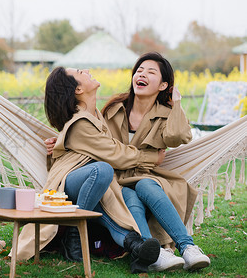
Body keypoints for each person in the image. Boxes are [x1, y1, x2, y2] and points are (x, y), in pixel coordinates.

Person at [45, 52, 210, 272]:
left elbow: (179, 137)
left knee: (144, 185)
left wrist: (176, 103)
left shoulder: (165, 114)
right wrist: (62, 142)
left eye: (151, 72)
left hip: (143, 176)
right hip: (114, 177)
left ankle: (185, 248)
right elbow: (103, 146)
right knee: (123, 188)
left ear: (163, 85)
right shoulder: (113, 108)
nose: (142, 74)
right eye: (139, 70)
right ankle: (153, 252)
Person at [39, 66, 165, 273]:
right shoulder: (80, 123)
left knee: (112, 212)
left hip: (94, 186)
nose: (87, 70)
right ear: (78, 89)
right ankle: (74, 234)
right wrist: (153, 157)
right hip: (70, 182)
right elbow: (116, 154)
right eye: (80, 72)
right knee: (102, 170)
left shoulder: (94, 115)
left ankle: (136, 247)